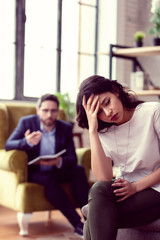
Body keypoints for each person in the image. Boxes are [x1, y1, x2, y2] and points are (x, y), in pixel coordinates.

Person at [76, 75, 160, 240]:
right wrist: (93, 131)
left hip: (156, 187)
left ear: (115, 91)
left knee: (94, 217)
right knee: (98, 190)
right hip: (126, 187)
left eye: (106, 102)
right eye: (98, 112)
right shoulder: (103, 132)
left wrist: (135, 187)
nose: (108, 113)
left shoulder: (153, 112)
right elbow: (104, 177)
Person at [5, 93, 90, 238]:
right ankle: (77, 224)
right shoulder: (27, 123)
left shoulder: (65, 128)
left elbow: (72, 158)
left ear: (58, 111)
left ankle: (90, 221)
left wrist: (58, 161)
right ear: (38, 110)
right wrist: (26, 142)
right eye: (45, 110)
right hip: (35, 171)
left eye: (53, 111)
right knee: (48, 181)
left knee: (78, 170)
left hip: (56, 169)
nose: (49, 114)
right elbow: (8, 145)